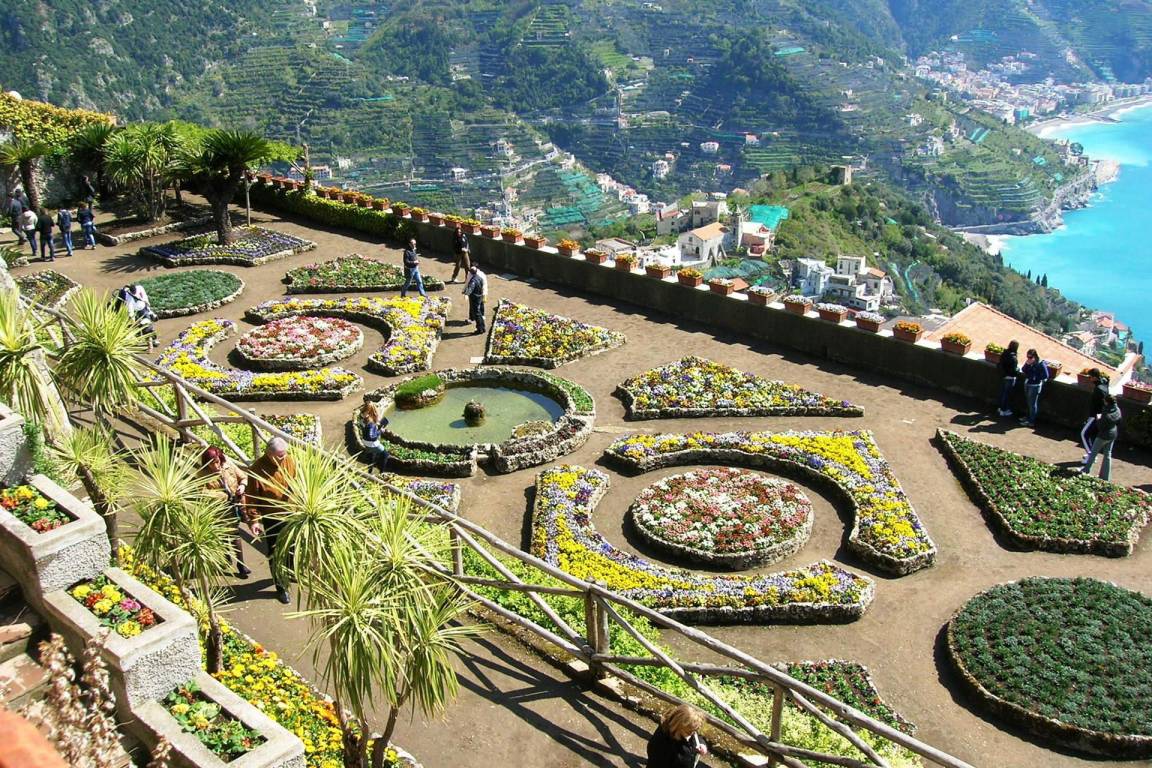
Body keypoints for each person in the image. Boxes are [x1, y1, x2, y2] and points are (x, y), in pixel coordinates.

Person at [245, 438, 297, 605]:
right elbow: (251, 496)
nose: (283, 458)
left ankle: (290, 572)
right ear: (269, 453)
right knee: (276, 553)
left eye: (284, 454)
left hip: (292, 513)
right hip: (272, 517)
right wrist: (254, 520)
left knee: (292, 547)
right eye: (279, 456)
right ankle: (281, 587)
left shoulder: (289, 460)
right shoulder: (257, 469)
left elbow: (298, 479)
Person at [199, 447, 252, 579]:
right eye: (211, 464)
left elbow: (243, 477)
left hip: (233, 506)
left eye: (217, 462)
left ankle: (240, 564)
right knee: (224, 534)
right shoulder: (202, 474)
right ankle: (227, 558)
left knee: (235, 534)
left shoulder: (229, 466)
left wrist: (242, 486)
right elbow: (201, 493)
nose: (215, 466)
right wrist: (222, 496)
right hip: (218, 510)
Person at [1082, 394, 1121, 481]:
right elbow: (1119, 421)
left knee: (1093, 453)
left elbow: (1100, 426)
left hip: (1103, 436)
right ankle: (1105, 477)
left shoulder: (1106, 413)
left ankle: (1086, 470)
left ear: (1107, 402)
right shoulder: (1117, 410)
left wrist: (1098, 419)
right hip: (1113, 434)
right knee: (1108, 454)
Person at [1079, 368, 1109, 463]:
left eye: (1090, 377)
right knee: (1091, 435)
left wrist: (1095, 416)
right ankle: (1091, 454)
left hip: (1095, 416)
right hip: (1099, 416)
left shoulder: (1099, 390)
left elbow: (1101, 405)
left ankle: (1091, 456)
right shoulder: (1104, 384)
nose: (1089, 379)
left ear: (1094, 377)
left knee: (1084, 434)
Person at [357, 400, 390, 471]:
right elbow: (371, 437)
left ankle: (370, 471)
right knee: (385, 454)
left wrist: (376, 426)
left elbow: (366, 427)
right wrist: (379, 431)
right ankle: (382, 472)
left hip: (364, 441)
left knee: (371, 455)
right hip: (372, 443)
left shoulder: (361, 416)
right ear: (373, 410)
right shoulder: (370, 422)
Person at [1019, 348, 1048, 427]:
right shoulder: (1029, 362)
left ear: (1035, 357)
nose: (1029, 359)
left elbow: (1046, 375)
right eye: (1028, 357)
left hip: (1035, 386)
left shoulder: (1040, 364)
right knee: (1028, 402)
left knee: (1032, 404)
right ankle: (1027, 417)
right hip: (1027, 383)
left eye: (1030, 357)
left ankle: (1031, 421)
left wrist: (1035, 378)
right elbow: (1023, 369)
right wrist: (1027, 364)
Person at [123, 284, 158, 349]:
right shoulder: (128, 297)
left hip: (143, 309)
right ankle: (145, 339)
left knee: (148, 325)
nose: (134, 293)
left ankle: (154, 340)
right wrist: (133, 320)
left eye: (135, 291)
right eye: (133, 292)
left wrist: (147, 305)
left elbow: (144, 296)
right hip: (136, 312)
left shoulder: (140, 288)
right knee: (141, 327)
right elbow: (130, 310)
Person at [462, 264, 488, 334]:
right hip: (479, 295)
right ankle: (482, 327)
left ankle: (480, 329)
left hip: (475, 298)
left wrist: (466, 294)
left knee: (477, 313)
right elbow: (483, 285)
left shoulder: (473, 280)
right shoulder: (480, 277)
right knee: (479, 313)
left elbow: (470, 287)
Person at [996, 340, 1020, 417]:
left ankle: (1000, 408)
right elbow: (1013, 370)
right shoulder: (1013, 357)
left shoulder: (1004, 353)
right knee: (1007, 395)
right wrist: (1018, 370)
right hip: (1010, 377)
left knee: (1003, 393)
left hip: (1004, 376)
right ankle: (1003, 410)